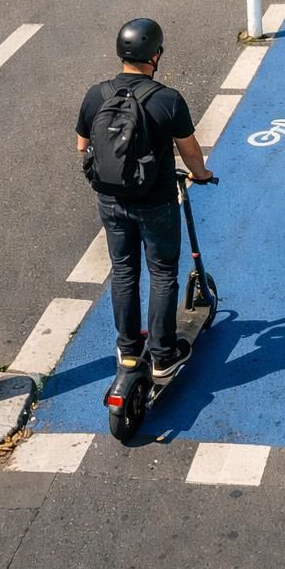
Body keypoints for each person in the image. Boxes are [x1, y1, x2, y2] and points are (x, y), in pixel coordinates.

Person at [77, 19, 214, 381]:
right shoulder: (167, 99)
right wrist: (201, 175)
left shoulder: (97, 94)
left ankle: (127, 349)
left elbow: (81, 146)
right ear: (155, 55)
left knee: (123, 272)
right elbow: (191, 153)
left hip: (110, 200)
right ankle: (162, 355)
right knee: (162, 272)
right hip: (155, 202)